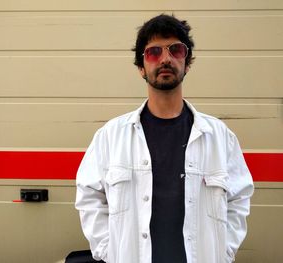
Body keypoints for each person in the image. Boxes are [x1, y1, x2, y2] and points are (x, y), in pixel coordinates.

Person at [75, 14, 254, 263]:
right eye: (154, 52)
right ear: (141, 67)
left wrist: (224, 250)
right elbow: (89, 195)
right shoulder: (111, 136)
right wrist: (108, 251)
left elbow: (239, 196)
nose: (166, 58)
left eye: (176, 50)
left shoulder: (219, 137)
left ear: (187, 62)